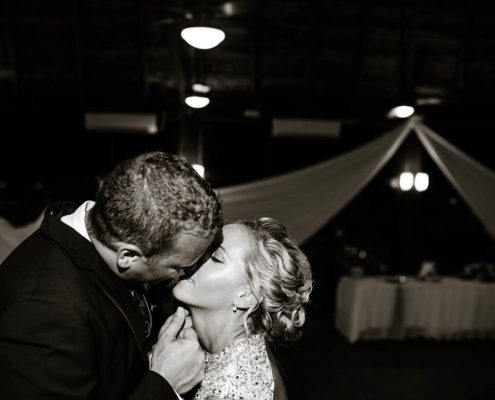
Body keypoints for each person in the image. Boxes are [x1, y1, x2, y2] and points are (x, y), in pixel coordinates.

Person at [0, 151, 223, 399]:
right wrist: (164, 384)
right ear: (127, 256)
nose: (181, 276)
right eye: (177, 266)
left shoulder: (104, 234)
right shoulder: (44, 310)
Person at [171, 217, 313, 400]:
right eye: (204, 248)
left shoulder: (231, 391)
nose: (195, 256)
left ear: (247, 295)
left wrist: (165, 385)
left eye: (215, 258)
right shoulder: (246, 353)